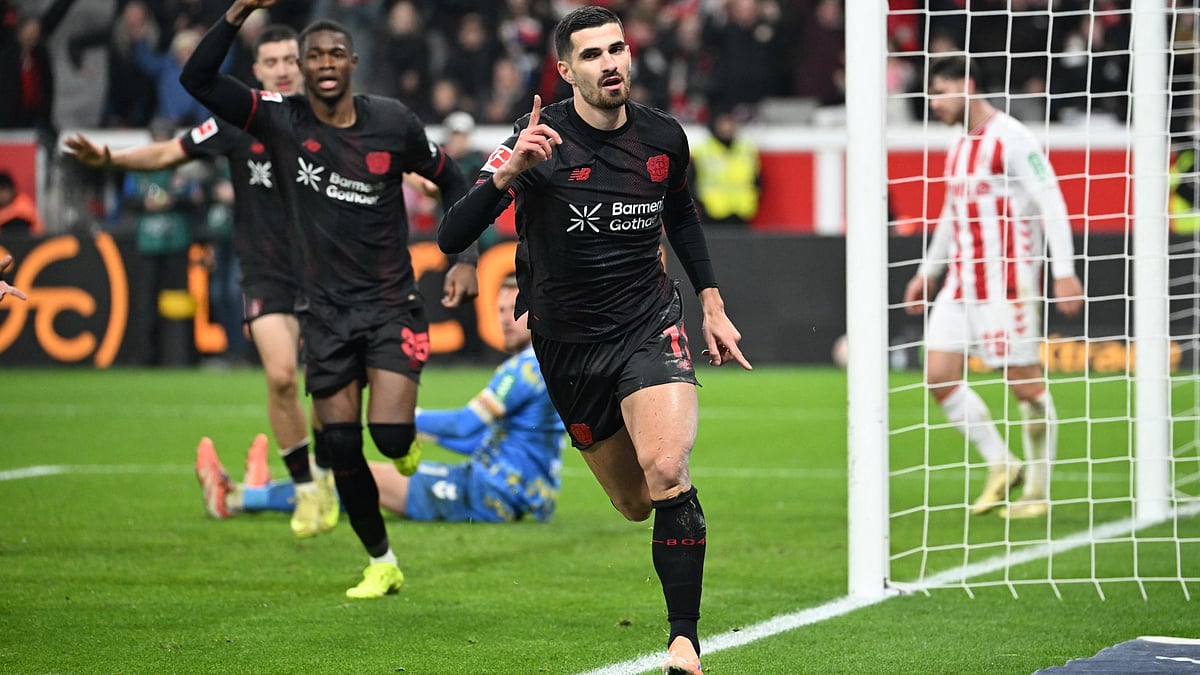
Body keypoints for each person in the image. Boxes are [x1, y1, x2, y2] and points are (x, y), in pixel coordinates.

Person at [438, 8, 751, 674]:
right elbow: (451, 231)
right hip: (567, 345)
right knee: (635, 501)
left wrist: (712, 303)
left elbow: (682, 217)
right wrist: (506, 173)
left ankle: (684, 641)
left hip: (648, 324)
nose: (609, 62)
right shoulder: (535, 135)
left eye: (617, 49)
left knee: (667, 468)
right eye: (592, 55)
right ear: (565, 69)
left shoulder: (664, 138)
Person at [181, 0, 474, 599]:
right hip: (324, 314)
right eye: (313, 56)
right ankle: (382, 562)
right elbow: (199, 80)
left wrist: (464, 256)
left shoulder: (392, 122)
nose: (324, 63)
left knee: (388, 439)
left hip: (392, 306)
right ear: (303, 68)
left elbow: (454, 178)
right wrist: (236, 15)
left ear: (353, 62)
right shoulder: (279, 120)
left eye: (335, 53)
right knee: (340, 447)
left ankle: (406, 441)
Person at [64, 24, 344, 539]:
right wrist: (108, 158)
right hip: (265, 271)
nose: (283, 68)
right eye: (272, 61)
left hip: (326, 272)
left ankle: (326, 476)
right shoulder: (238, 123)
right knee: (282, 376)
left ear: (303, 67)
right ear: (256, 71)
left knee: (329, 385)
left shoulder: (331, 119)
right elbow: (169, 152)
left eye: (290, 59)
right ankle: (305, 487)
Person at [196, 275, 566, 523]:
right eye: (500, 310)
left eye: (513, 311)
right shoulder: (544, 362)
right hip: (519, 494)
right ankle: (264, 487)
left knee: (358, 475)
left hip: (496, 494)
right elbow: (472, 438)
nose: (505, 319)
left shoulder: (526, 367)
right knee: (360, 474)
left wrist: (398, 419)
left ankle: (235, 498)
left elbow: (464, 425)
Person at [902, 55, 1085, 520]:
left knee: (1024, 386)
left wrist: (1064, 269)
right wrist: (928, 271)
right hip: (963, 282)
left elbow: (1052, 200)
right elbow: (951, 211)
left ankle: (1037, 492)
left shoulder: (1013, 138)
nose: (934, 103)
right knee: (939, 375)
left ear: (967, 85)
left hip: (1008, 284)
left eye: (941, 92)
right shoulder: (958, 144)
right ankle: (1002, 462)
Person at [688, 108, 761, 225]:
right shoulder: (703, 151)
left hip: (742, 212)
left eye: (730, 123)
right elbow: (690, 182)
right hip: (712, 211)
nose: (727, 127)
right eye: (723, 123)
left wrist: (753, 201)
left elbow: (758, 181)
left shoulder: (746, 150)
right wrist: (700, 205)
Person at [0, 170, 45, 238]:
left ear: (12, 189)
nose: (2, 195)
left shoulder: (23, 204)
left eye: (3, 190)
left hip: (30, 243)